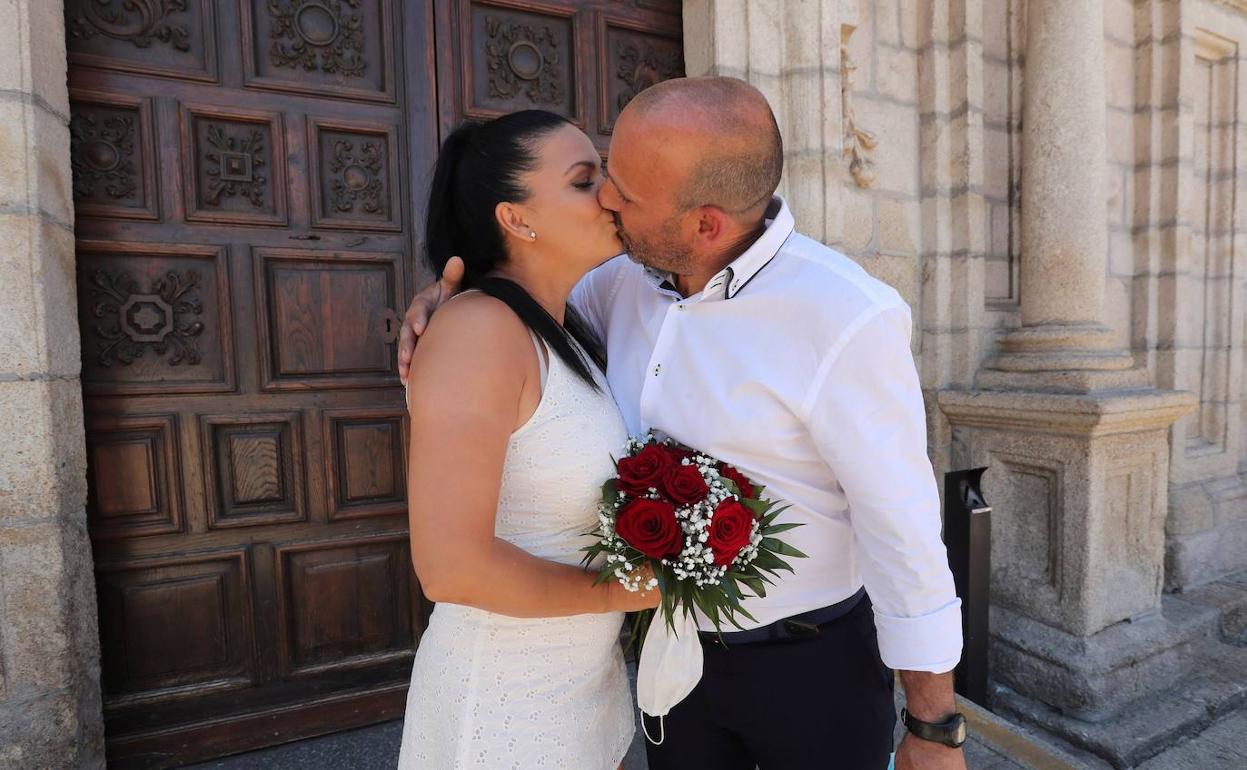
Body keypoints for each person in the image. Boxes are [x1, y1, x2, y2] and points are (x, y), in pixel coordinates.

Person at [401, 77, 969, 770]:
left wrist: (934, 726)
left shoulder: (845, 315)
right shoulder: (610, 286)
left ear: (704, 224)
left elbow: (902, 531)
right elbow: (505, 306)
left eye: (623, 191)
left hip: (810, 665)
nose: (609, 197)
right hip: (665, 666)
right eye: (597, 177)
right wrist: (445, 302)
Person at [397, 109, 659, 770]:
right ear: (515, 218)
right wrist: (632, 590)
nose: (608, 194)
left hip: (585, 696)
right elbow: (450, 568)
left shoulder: (567, 327)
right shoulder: (478, 331)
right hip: (503, 708)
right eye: (582, 180)